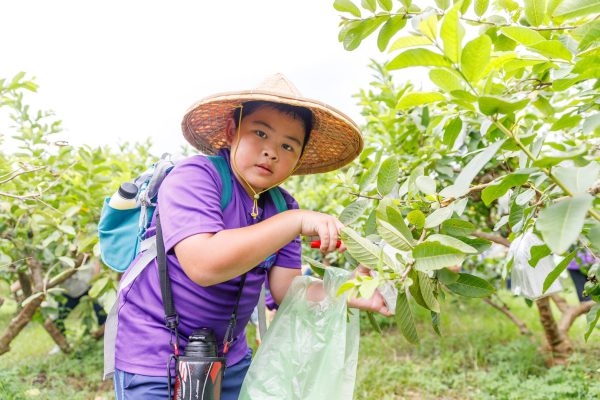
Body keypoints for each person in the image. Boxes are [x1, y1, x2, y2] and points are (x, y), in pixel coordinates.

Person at [111, 74, 392, 400]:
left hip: (228, 356)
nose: (271, 152)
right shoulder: (196, 177)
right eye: (260, 133)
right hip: (154, 355)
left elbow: (287, 290)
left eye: (288, 145)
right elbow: (204, 265)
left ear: (298, 159)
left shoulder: (281, 205)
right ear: (232, 131)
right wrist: (293, 221)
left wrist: (352, 291)